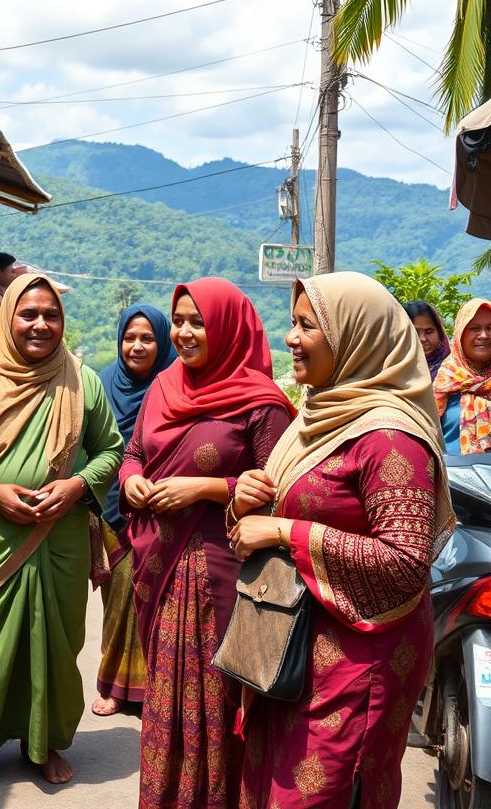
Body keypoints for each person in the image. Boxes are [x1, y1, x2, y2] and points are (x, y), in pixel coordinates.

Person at [229, 271, 453, 808]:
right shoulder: (317, 415)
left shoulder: (390, 438)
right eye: (292, 323)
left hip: (358, 659)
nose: (290, 337)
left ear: (356, 338)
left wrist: (285, 528)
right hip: (292, 644)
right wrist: (246, 503)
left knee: (323, 792)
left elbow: (404, 560)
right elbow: (272, 519)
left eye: (307, 326)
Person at [0, 273, 124, 795]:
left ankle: (45, 746)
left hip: (60, 540)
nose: (41, 324)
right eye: (29, 314)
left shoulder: (81, 381)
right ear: (7, 319)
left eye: (51, 315)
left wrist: (76, 486)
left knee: (55, 646)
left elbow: (111, 449)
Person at [119, 277, 294, 809]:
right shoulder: (165, 385)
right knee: (166, 700)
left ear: (228, 328)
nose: (185, 333)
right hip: (161, 570)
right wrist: (131, 481)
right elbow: (134, 453)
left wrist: (207, 488)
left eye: (199, 322)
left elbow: (283, 488)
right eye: (181, 321)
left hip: (226, 577)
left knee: (218, 702)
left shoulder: (262, 404)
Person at [92, 303, 176, 716]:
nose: (137, 346)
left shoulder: (175, 384)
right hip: (112, 508)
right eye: (130, 338)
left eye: (148, 338)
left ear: (162, 342)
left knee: (155, 602)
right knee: (117, 601)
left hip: (162, 509)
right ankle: (112, 686)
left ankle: (152, 688)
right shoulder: (102, 382)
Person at [434, 296, 491, 453]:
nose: (484, 335)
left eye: (490, 328)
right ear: (460, 334)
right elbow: (427, 433)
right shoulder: (447, 380)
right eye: (474, 328)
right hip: (453, 475)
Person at [403, 299, 451, 380]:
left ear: (440, 333)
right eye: (415, 332)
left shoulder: (452, 371)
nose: (423, 339)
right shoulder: (394, 367)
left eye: (429, 331)